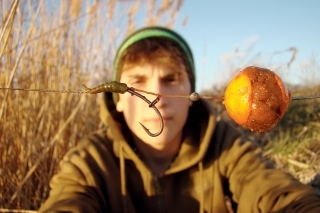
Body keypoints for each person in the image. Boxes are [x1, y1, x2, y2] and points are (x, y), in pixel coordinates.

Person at [39, 26, 320, 213]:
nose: (158, 95)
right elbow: (68, 200)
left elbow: (275, 192)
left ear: (192, 91)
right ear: (119, 100)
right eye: (137, 81)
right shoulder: (89, 162)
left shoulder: (226, 147)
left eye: (171, 79)